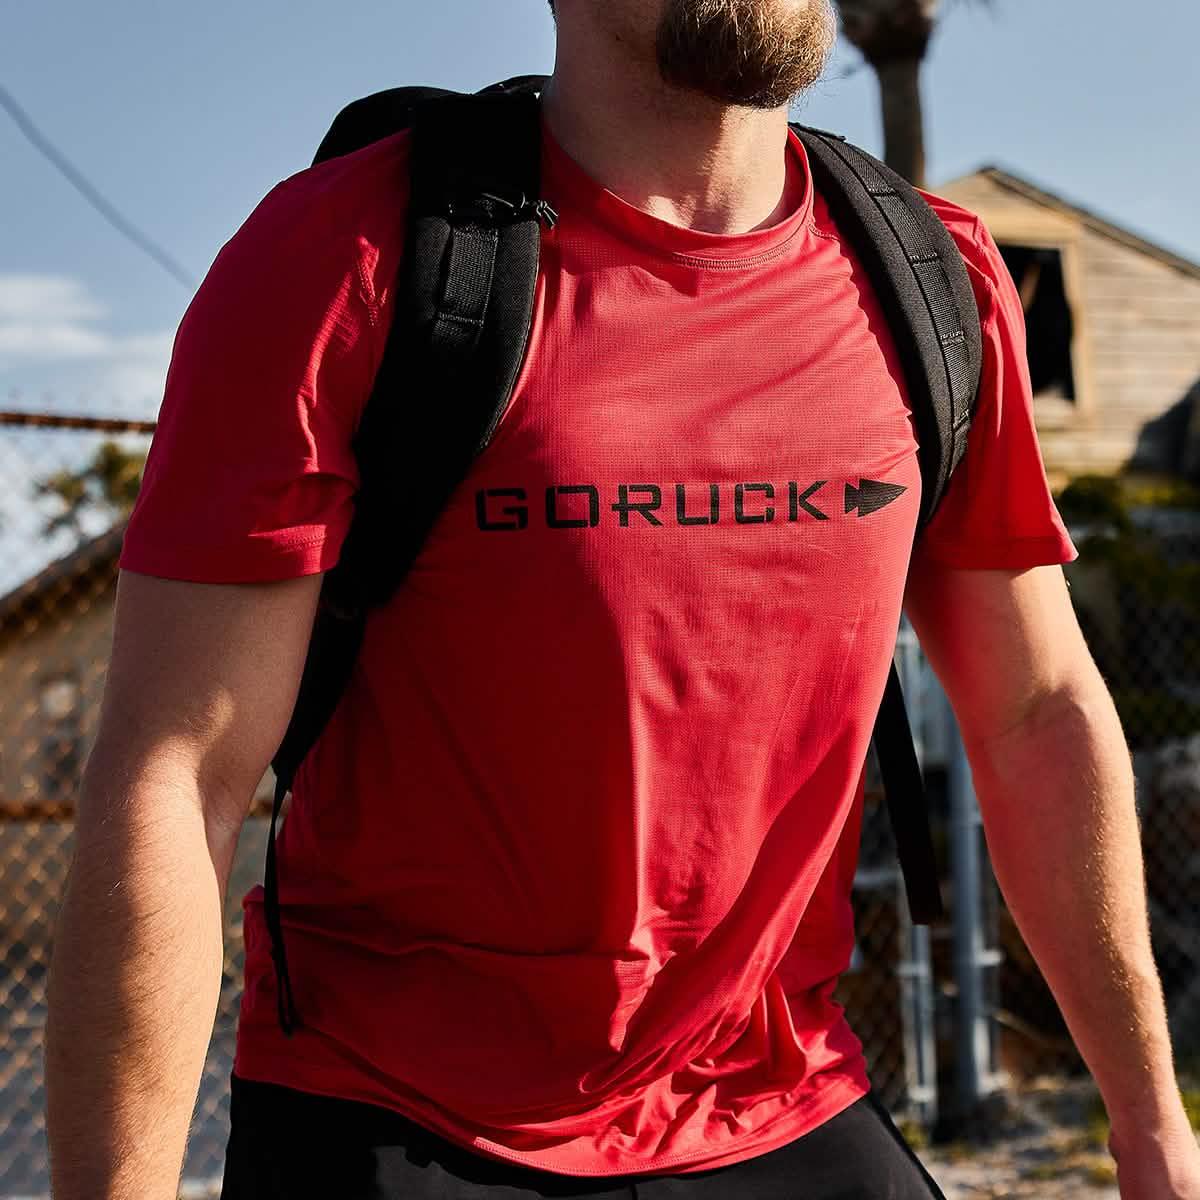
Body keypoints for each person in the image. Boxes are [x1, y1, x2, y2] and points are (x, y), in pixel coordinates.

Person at [44, 2, 1200, 1198]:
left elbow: (1037, 714)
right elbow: (178, 775)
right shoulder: (342, 258)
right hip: (398, 1108)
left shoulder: (935, 282)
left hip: (780, 1095)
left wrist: (1154, 1125)